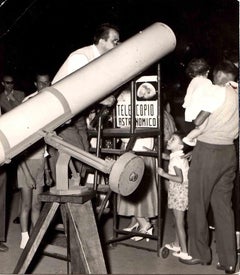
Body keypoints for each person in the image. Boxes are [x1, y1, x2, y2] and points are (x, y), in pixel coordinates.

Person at [179, 60, 238, 274]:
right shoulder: (236, 94)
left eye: (215, 74)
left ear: (221, 74)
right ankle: (228, 260)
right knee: (223, 208)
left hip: (209, 151)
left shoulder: (216, 91)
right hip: (229, 153)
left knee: (197, 204)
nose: (212, 78)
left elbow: (198, 121)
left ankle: (199, 254)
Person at [49, 23, 120, 185]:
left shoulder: (98, 61)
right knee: (78, 153)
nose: (117, 45)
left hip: (77, 114)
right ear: (102, 41)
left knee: (84, 154)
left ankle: (74, 189)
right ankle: (67, 191)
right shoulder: (81, 57)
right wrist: (102, 99)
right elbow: (77, 86)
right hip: (62, 115)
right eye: (114, 41)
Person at [18, 72, 52, 249]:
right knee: (26, 204)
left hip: (40, 163)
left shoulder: (48, 105)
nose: (44, 86)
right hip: (26, 165)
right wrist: (27, 174)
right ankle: (25, 237)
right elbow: (19, 150)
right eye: (40, 83)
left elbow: (44, 146)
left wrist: (46, 170)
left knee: (37, 203)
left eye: (47, 83)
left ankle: (36, 237)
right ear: (35, 84)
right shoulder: (28, 104)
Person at [157, 131, 192, 260]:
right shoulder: (177, 156)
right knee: (177, 220)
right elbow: (168, 157)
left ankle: (184, 251)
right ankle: (177, 244)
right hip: (180, 191)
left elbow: (179, 178)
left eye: (173, 139)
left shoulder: (176, 160)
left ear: (181, 146)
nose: (169, 140)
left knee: (179, 221)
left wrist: (163, 174)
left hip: (179, 190)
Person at [0, 74, 26, 225]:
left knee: (22, 181)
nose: (10, 86)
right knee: (10, 183)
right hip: (6, 143)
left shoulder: (20, 95)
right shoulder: (0, 98)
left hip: (20, 140)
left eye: (12, 83)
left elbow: (23, 112)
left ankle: (19, 213)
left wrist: (14, 100)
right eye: (7, 83)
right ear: (3, 83)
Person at [182, 58, 215, 146]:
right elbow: (210, 95)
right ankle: (188, 138)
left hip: (191, 108)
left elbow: (188, 95)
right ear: (207, 71)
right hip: (200, 109)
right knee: (202, 128)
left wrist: (186, 105)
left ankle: (195, 138)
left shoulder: (193, 81)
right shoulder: (207, 82)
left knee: (198, 127)